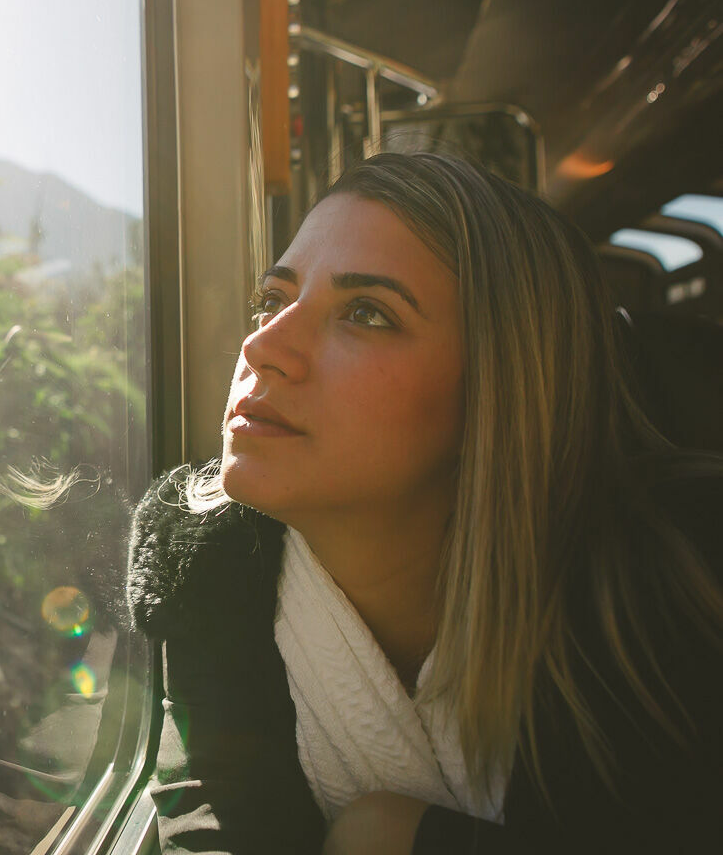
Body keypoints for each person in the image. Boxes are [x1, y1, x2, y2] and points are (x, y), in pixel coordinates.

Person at [126, 152, 723, 855]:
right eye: (273, 300)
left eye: (367, 313)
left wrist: (397, 836)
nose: (264, 346)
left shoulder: (675, 607)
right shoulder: (208, 584)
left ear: (499, 390)